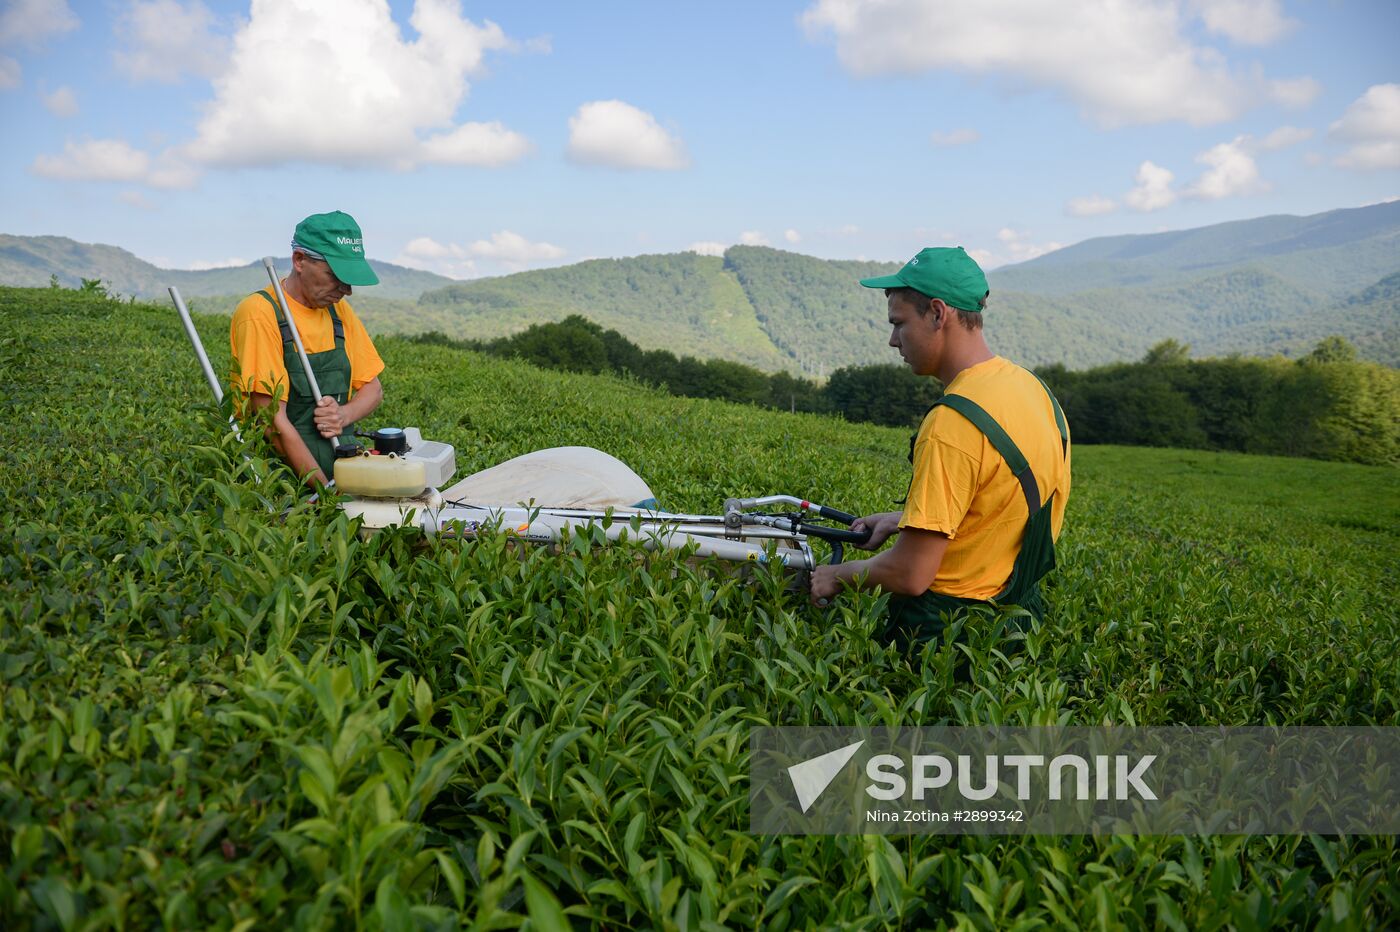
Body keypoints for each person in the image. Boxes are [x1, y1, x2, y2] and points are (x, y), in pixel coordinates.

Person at [809, 246, 1070, 648]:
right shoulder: (1033, 391)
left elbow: (911, 575)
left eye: (899, 323)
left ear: (937, 313)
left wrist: (836, 576)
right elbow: (1000, 501)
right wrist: (907, 519)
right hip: (1018, 626)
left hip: (946, 634)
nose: (893, 341)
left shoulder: (953, 423)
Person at [230, 211, 385, 487]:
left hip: (342, 470)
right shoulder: (260, 313)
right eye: (334, 275)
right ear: (299, 260)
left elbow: (373, 388)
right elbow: (272, 423)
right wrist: (325, 493)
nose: (345, 290)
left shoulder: (338, 311)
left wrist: (343, 415)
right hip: (286, 481)